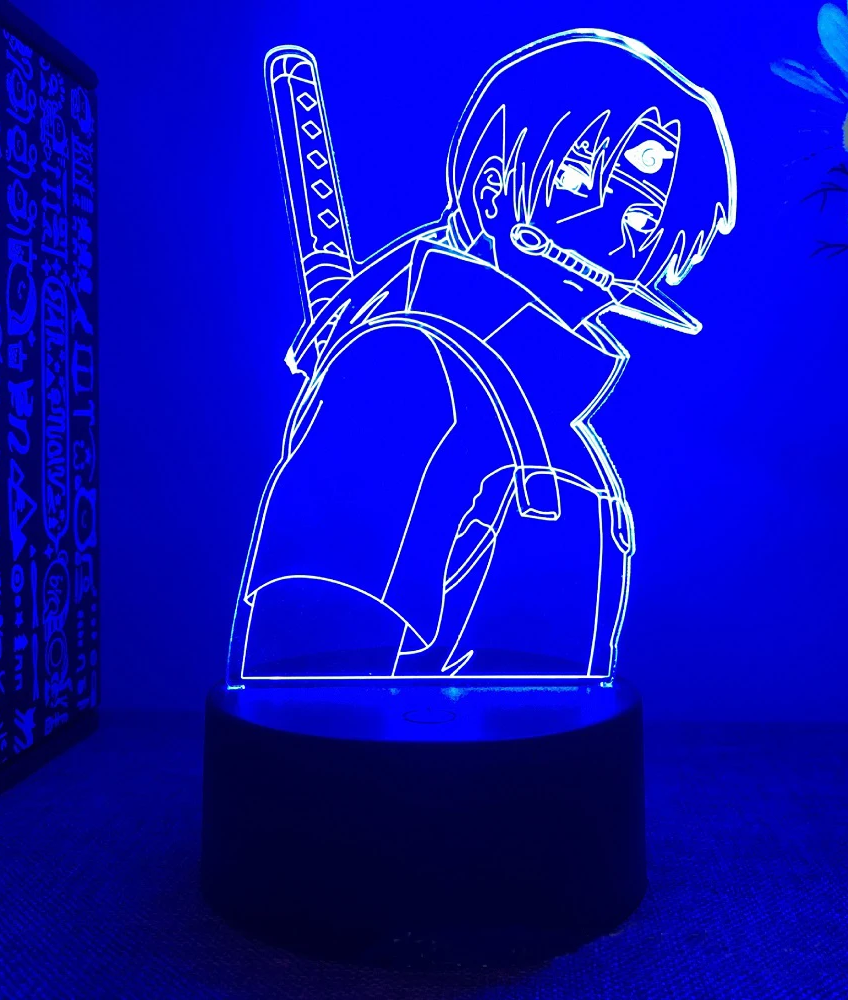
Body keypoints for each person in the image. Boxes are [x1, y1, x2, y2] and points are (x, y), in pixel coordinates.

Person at [228, 29, 736, 681]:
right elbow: (305, 674)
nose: (604, 239)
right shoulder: (404, 373)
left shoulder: (570, 451)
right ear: (494, 187)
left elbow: (563, 701)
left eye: (641, 222)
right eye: (576, 179)